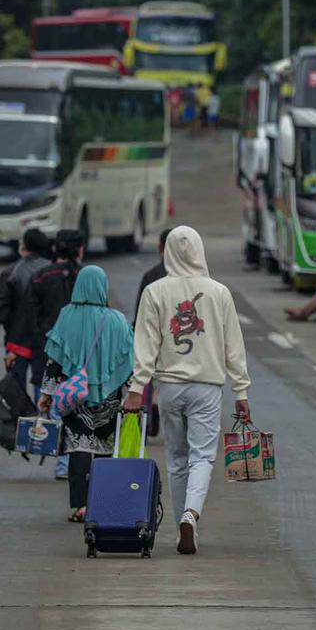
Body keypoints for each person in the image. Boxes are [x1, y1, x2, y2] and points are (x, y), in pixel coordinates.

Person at [125, 225, 251, 555]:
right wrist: (241, 392)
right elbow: (233, 347)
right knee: (203, 456)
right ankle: (190, 515)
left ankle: (182, 522)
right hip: (207, 387)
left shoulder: (154, 291)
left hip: (168, 387)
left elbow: (145, 343)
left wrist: (138, 386)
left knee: (176, 457)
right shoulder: (219, 293)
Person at [39, 266, 134, 522]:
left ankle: (81, 506)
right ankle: (102, 503)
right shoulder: (117, 320)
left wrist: (47, 393)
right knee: (104, 450)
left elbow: (54, 358)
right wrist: (131, 392)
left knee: (78, 448)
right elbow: (129, 360)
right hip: (109, 399)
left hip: (75, 399)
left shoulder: (67, 316)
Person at [29, 229, 86, 480]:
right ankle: (71, 462)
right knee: (77, 407)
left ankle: (61, 461)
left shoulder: (41, 277)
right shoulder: (85, 278)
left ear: (55, 249)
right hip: (82, 353)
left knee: (54, 405)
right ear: (79, 250)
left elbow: (29, 317)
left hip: (49, 351)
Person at [0, 228, 52, 394]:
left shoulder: (10, 273)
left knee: (16, 389)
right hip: (45, 341)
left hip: (17, 341)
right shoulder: (52, 271)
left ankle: (21, 418)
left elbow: (1, 306)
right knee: (43, 388)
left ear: (24, 246)